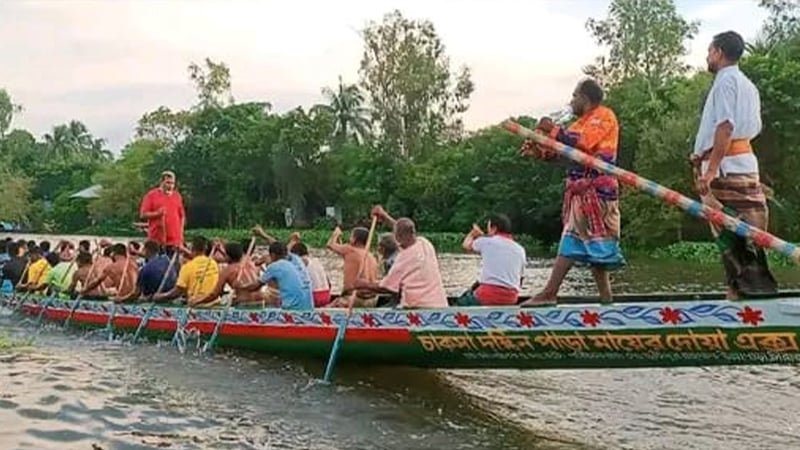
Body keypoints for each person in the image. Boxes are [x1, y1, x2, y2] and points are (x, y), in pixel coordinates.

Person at [519, 78, 624, 305]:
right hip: (581, 195)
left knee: (589, 244)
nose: (571, 101)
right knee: (581, 242)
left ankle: (551, 292)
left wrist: (553, 130)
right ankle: (604, 299)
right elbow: (565, 155)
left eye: (574, 96)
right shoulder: (578, 124)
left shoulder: (604, 116)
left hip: (598, 193)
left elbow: (584, 143)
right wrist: (539, 152)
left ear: (584, 98)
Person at [691, 31, 777, 299]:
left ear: (718, 51)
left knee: (730, 233)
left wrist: (712, 169)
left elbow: (726, 127)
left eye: (709, 51)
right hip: (743, 164)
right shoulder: (748, 84)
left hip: (726, 167)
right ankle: (755, 292)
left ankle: (738, 296)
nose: (708, 57)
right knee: (749, 233)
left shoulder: (725, 82)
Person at [353, 206, 448, 309]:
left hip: (418, 308)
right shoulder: (424, 243)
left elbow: (386, 287)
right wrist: (384, 216)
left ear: (397, 237)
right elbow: (402, 228)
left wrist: (362, 284)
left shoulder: (403, 259)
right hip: (439, 304)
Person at [459, 213, 526, 306]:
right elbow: (520, 280)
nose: (487, 231)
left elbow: (466, 245)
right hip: (511, 299)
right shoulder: (520, 249)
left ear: (494, 228)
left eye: (488, 228)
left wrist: (473, 233)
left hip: (487, 296)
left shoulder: (487, 242)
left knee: (462, 301)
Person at [240, 241, 313, 310]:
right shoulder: (296, 259)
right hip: (309, 306)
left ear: (273, 255)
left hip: (293, 308)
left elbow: (255, 286)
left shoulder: (275, 266)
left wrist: (241, 287)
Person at [196, 241, 269, 307]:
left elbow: (215, 294)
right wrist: (220, 249)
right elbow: (230, 257)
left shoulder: (227, 271)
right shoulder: (249, 261)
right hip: (260, 300)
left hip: (244, 302)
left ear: (228, 256)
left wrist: (197, 301)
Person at [154, 236, 219, 307]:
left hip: (197, 304)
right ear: (205, 249)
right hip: (214, 302)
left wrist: (161, 296)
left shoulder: (187, 267)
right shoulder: (213, 263)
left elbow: (177, 292)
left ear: (192, 248)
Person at [326, 225, 379, 306]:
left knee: (327, 308)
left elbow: (330, 244)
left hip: (354, 298)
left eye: (351, 236)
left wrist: (336, 234)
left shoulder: (349, 250)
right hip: (372, 299)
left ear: (354, 239)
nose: (349, 239)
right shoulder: (371, 256)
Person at [139, 170, 186, 250]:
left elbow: (182, 216)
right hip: (156, 240)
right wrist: (157, 214)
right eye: (168, 182)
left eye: (172, 183)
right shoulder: (151, 195)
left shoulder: (177, 196)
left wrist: (181, 236)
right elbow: (143, 214)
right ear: (161, 182)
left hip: (174, 241)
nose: (170, 186)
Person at [290, 242, 331, 307]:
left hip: (315, 297)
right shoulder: (316, 261)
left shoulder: (302, 260)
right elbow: (329, 282)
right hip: (327, 295)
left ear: (296, 254)